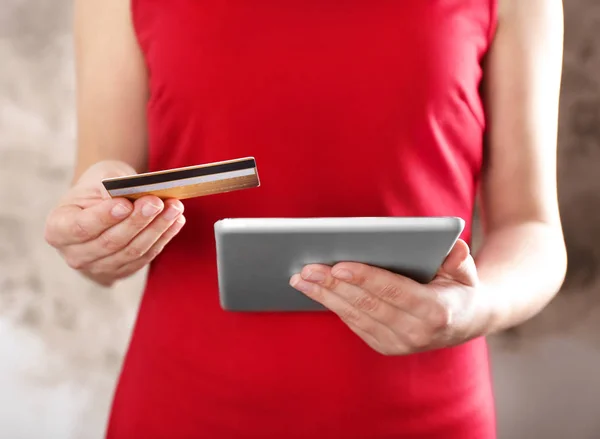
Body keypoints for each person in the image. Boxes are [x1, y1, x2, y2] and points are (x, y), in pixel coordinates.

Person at [44, 0, 566, 437]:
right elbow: (102, 234)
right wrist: (98, 232)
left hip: (427, 412)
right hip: (184, 406)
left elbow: (533, 229)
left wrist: (470, 310)